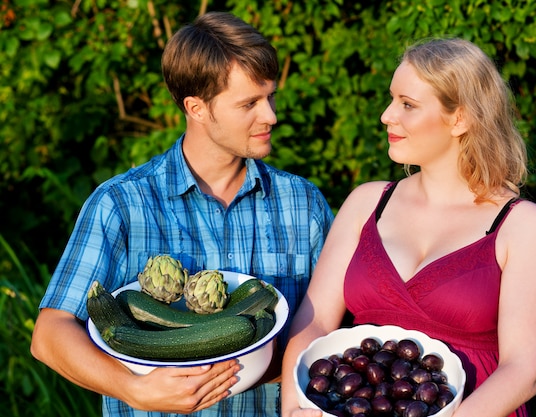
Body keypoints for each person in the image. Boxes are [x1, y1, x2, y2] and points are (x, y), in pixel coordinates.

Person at [30, 11, 334, 417]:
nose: (271, 115)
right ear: (197, 107)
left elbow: (332, 328)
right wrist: (133, 389)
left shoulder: (303, 203)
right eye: (250, 103)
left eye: (270, 96)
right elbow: (50, 335)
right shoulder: (122, 203)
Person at [281, 37, 536, 417]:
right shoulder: (367, 203)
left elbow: (524, 370)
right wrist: (295, 408)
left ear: (460, 118)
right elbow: (311, 325)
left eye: (407, 105)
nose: (386, 115)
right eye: (392, 99)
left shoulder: (524, 226)